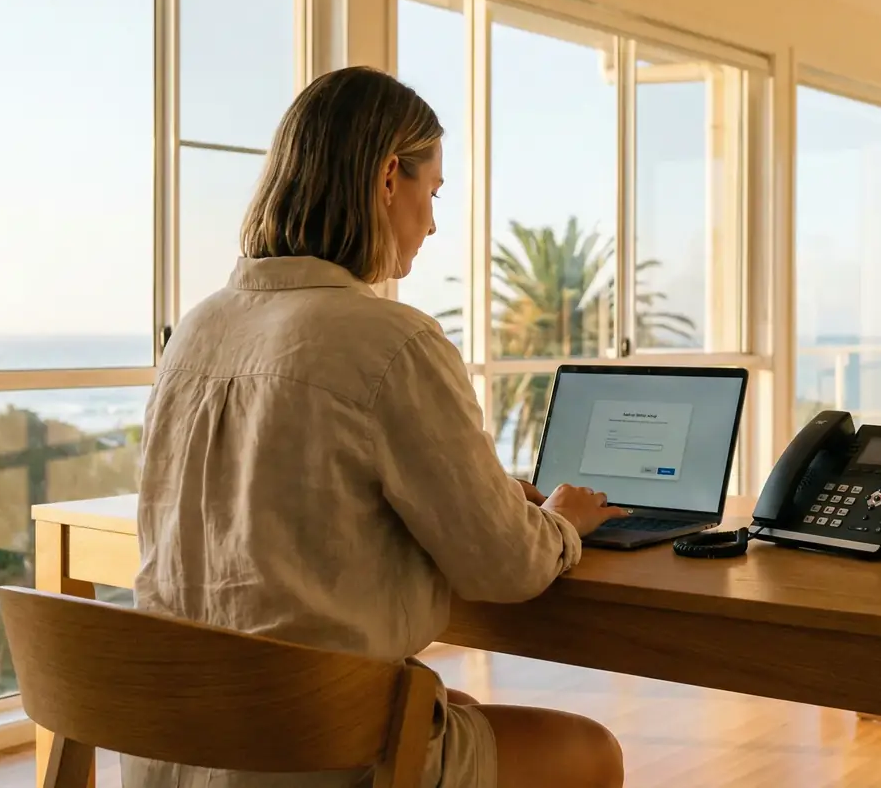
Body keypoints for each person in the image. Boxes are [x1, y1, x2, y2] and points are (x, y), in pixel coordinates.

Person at [123, 66, 628, 788]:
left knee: (447, 703)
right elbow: (505, 566)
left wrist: (483, 493)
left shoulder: (197, 328)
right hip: (309, 755)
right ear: (390, 177)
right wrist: (560, 518)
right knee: (593, 753)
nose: (432, 221)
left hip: (175, 746)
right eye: (433, 194)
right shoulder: (392, 341)